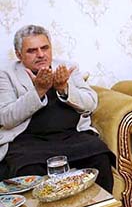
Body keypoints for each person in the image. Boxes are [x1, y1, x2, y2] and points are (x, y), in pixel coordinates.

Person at [0, 25, 115, 192]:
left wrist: (63, 87)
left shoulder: (67, 68)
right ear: (19, 55)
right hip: (28, 142)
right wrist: (39, 90)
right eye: (32, 50)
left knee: (99, 155)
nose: (40, 54)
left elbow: (90, 103)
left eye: (45, 48)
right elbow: (6, 118)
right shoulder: (7, 74)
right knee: (25, 168)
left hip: (71, 136)